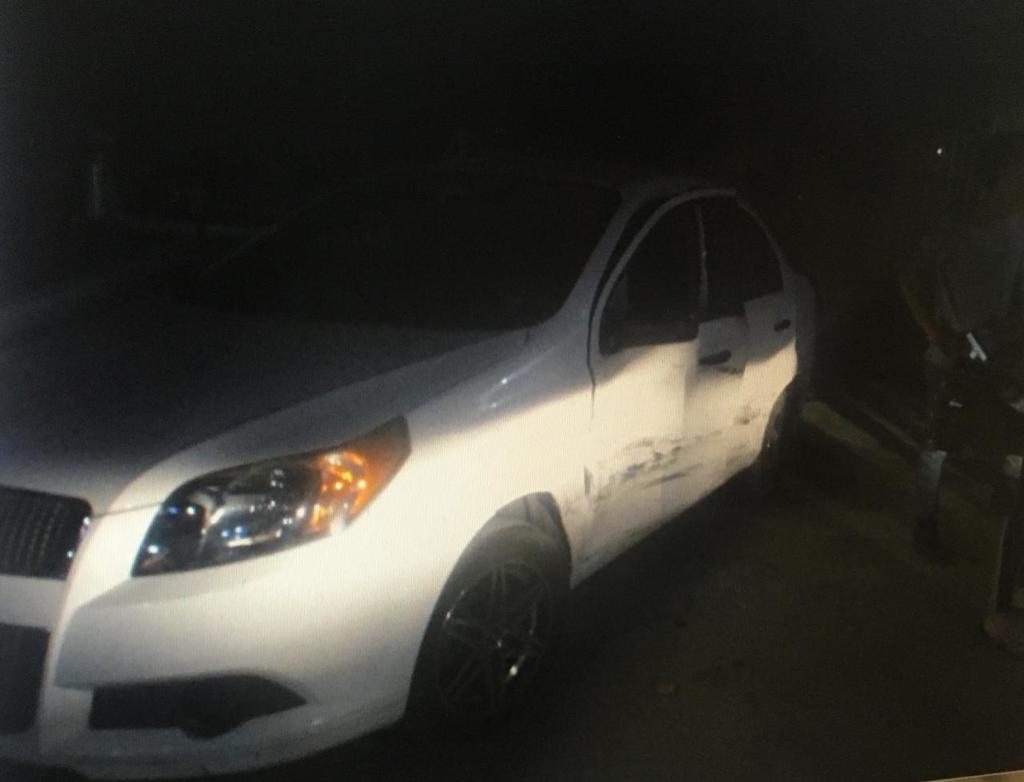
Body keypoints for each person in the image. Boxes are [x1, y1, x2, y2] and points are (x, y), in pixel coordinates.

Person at [898, 135, 1024, 649]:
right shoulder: (952, 230)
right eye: (1017, 179)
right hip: (952, 353)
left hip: (1001, 355)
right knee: (938, 442)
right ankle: (924, 523)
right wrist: (935, 333)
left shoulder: (1016, 229)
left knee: (1007, 433)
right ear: (997, 183)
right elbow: (909, 278)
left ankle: (1003, 503)